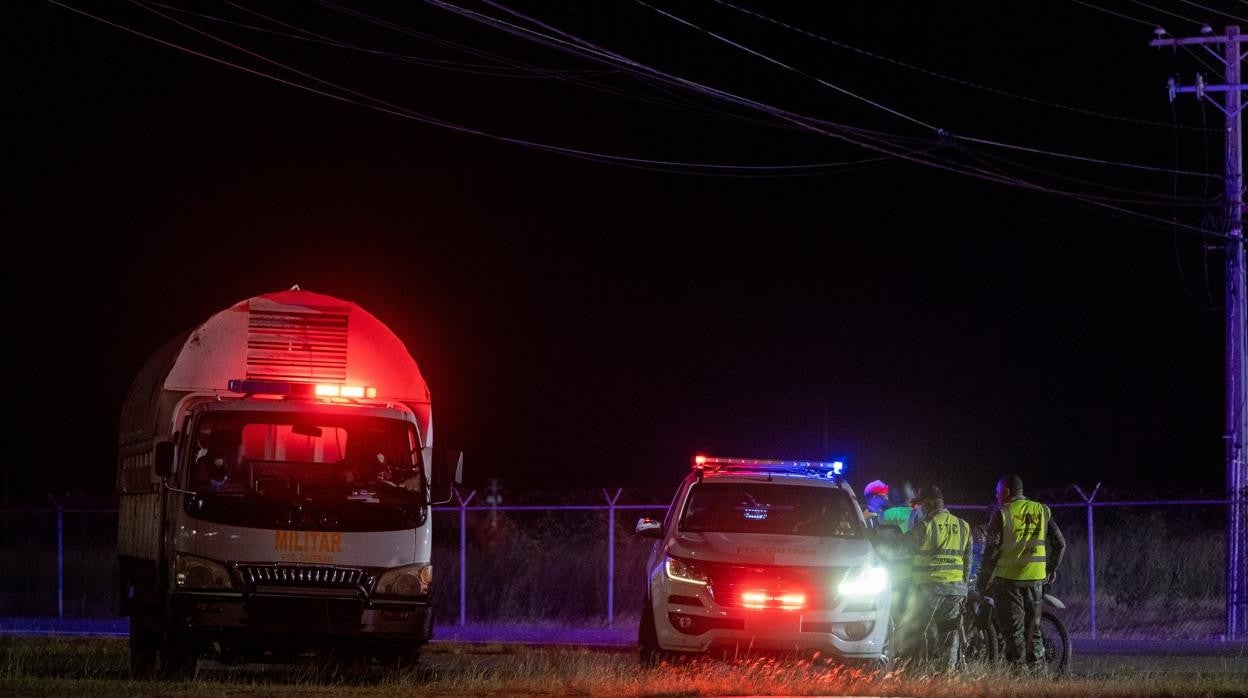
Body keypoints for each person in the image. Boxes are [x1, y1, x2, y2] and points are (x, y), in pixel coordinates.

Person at [975, 474, 1067, 673]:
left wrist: (981, 584)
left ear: (1006, 493)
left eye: (997, 492)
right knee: (1033, 633)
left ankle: (1019, 681)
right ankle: (1038, 681)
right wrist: (1052, 568)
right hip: (1035, 582)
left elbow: (990, 552)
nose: (996, 496)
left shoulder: (1002, 514)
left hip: (1009, 584)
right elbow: (1060, 544)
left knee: (1013, 635)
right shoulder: (1041, 511)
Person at [895, 484, 971, 673]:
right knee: (948, 635)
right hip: (954, 591)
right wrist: (963, 588)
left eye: (920, 505)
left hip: (929, 590)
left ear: (928, 504)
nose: (919, 509)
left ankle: (910, 674)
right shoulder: (963, 525)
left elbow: (900, 548)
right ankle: (946, 677)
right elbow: (968, 561)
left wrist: (880, 541)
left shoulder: (926, 525)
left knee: (914, 632)